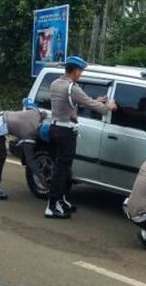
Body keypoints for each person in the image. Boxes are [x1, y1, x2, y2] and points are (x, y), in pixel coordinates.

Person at [46, 55, 117, 218]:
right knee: (61, 169)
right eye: (81, 71)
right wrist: (108, 107)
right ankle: (51, 206)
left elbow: (70, 102)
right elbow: (92, 106)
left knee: (63, 168)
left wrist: (93, 100)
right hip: (66, 132)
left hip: (55, 128)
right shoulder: (72, 87)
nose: (81, 74)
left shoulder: (55, 83)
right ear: (75, 71)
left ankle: (60, 199)